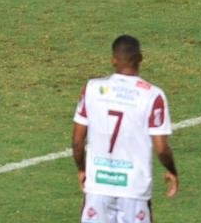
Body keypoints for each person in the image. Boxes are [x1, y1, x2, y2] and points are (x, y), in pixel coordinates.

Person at [73, 35, 178, 223]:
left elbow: (77, 141)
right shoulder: (152, 95)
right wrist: (172, 170)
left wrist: (82, 169)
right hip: (134, 190)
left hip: (98, 187)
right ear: (141, 58)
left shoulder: (91, 89)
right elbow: (161, 148)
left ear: (113, 59)